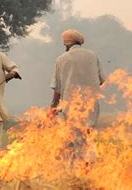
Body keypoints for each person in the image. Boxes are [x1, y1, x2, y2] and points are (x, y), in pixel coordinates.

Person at [50, 29, 105, 167]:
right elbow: (102, 80)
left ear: (66, 44)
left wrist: (53, 107)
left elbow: (57, 88)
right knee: (87, 133)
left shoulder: (62, 59)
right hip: (91, 103)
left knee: (73, 137)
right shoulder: (92, 56)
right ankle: (88, 165)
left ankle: (74, 169)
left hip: (71, 104)